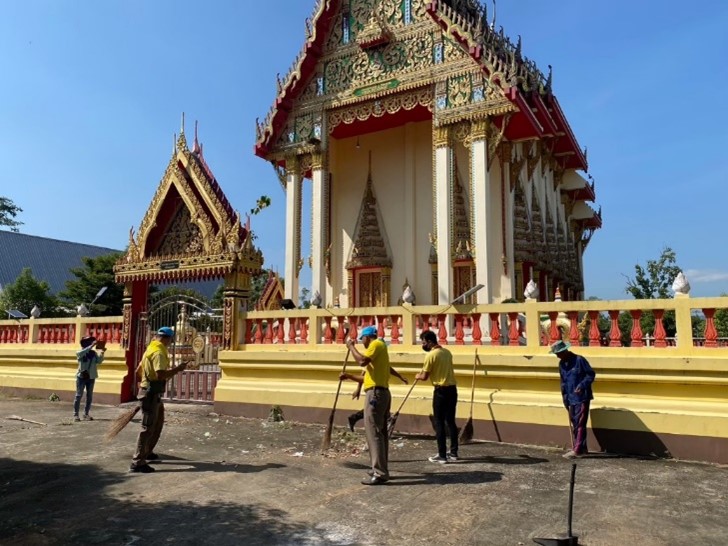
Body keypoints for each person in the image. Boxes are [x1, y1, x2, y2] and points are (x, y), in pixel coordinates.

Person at [129, 327, 188, 474]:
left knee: (157, 423)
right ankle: (137, 462)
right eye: (171, 340)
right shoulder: (159, 352)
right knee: (147, 428)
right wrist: (178, 369)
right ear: (168, 338)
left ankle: (147, 451)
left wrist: (144, 383)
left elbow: (138, 371)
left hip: (150, 393)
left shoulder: (150, 348)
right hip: (151, 395)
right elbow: (160, 374)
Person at [339, 325, 391, 485]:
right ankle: (380, 468)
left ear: (367, 337)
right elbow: (366, 378)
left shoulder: (375, 344)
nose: (362, 342)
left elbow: (361, 361)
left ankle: (380, 472)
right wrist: (349, 376)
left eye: (362, 339)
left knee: (374, 433)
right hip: (380, 392)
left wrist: (351, 347)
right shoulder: (379, 350)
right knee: (380, 433)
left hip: (375, 394)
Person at [415, 330, 458, 464]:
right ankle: (454, 452)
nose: (423, 345)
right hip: (452, 389)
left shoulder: (431, 355)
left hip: (440, 391)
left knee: (439, 422)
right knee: (450, 421)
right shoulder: (447, 352)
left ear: (429, 342)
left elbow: (424, 376)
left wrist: (417, 376)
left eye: (423, 342)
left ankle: (442, 455)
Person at [550, 340, 596, 459]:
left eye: (559, 353)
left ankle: (577, 449)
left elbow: (590, 374)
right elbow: (563, 383)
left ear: (565, 351)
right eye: (556, 354)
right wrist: (565, 398)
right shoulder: (561, 364)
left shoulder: (579, 360)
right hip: (570, 398)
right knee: (575, 423)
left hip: (581, 397)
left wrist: (582, 385)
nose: (558, 356)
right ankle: (582, 448)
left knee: (580, 422)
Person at [347, 366, 408, 433]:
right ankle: (356, 418)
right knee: (375, 409)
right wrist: (358, 389)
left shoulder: (382, 361)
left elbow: (388, 367)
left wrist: (400, 376)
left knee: (379, 409)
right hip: (374, 390)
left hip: (383, 388)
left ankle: (355, 418)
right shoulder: (371, 360)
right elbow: (363, 374)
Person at [74, 336, 105, 421]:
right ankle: (76, 415)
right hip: (81, 376)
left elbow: (99, 361)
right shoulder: (80, 352)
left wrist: (102, 352)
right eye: (89, 342)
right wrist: (91, 346)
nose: (91, 343)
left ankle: (86, 414)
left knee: (89, 396)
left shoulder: (93, 353)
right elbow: (82, 352)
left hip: (91, 376)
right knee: (78, 395)